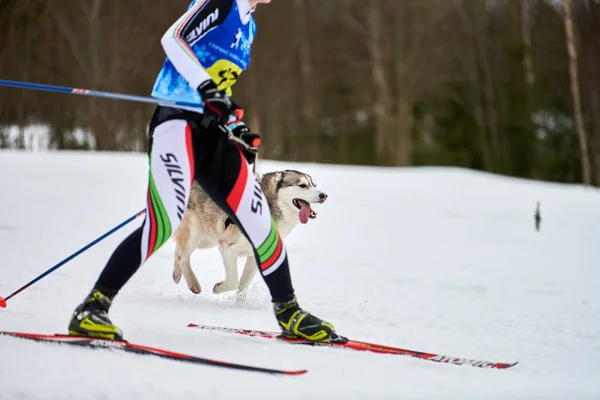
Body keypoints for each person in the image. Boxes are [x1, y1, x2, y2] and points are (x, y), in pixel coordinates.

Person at [68, 0, 346, 344]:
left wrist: (234, 123)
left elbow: (220, 92)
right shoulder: (221, 3)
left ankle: (289, 313)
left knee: (261, 223)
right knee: (163, 222)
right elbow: (174, 39)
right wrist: (205, 87)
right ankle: (93, 308)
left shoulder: (249, 26)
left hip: (214, 134)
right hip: (177, 126)